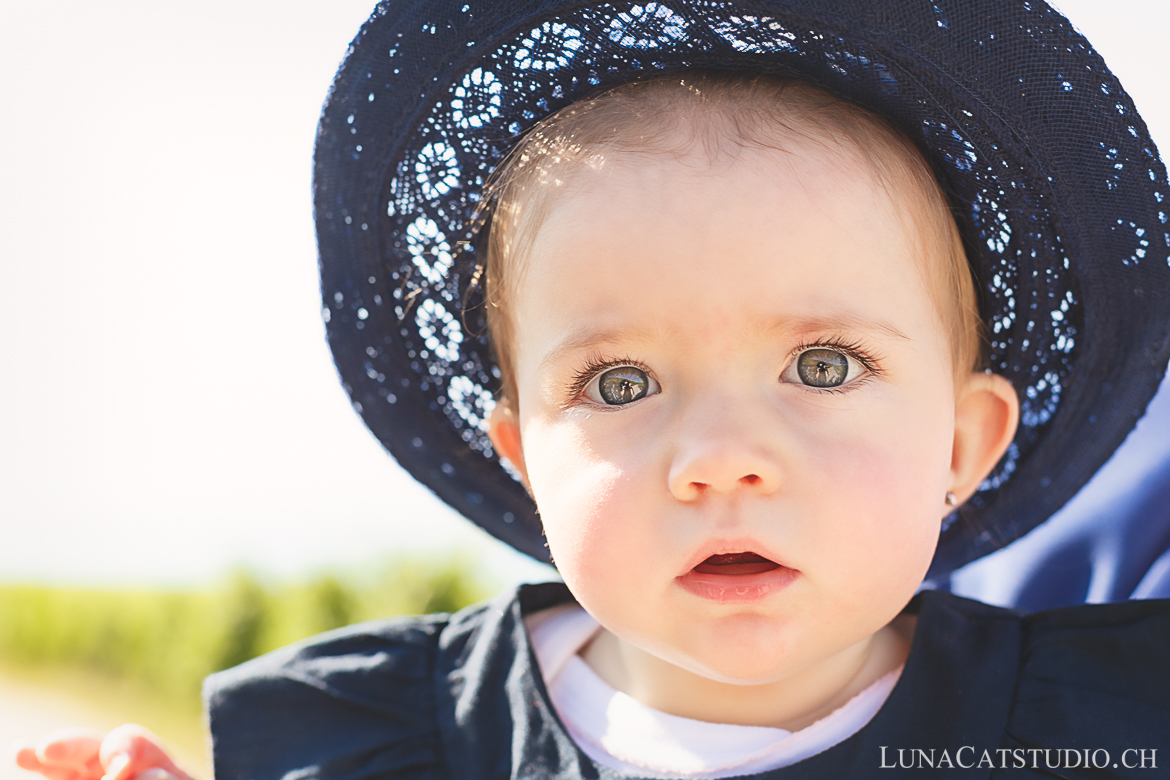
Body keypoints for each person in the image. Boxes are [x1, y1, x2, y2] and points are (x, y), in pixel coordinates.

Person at [16, 1, 1170, 778]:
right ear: (523, 452)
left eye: (822, 366)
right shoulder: (386, 741)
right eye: (621, 382)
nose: (719, 457)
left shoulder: (1096, 727)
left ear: (964, 442)